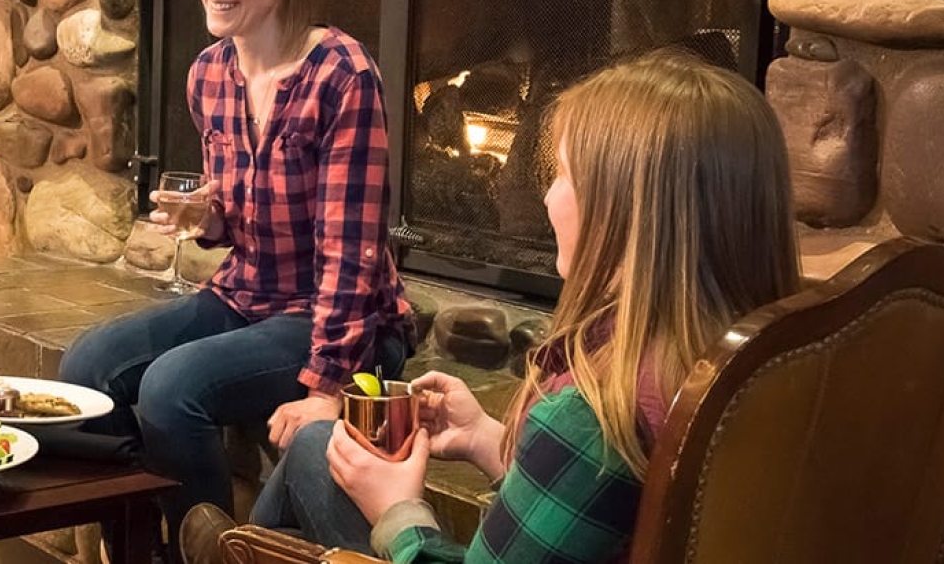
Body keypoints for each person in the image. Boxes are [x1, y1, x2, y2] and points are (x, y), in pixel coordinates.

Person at [193, 52, 800, 564]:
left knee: (308, 460)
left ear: (626, 212)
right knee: (314, 443)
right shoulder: (762, 362)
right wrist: (489, 440)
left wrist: (399, 510)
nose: (545, 194)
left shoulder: (595, 415)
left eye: (561, 174)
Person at [59, 0, 413, 548]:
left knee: (169, 388)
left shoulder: (341, 75)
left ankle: (216, 556)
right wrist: (208, 219)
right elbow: (241, 216)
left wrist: (327, 387)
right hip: (247, 294)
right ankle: (144, 549)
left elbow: (352, 250)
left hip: (337, 315)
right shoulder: (210, 74)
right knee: (87, 368)